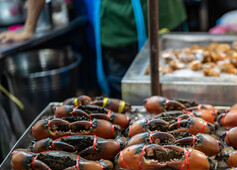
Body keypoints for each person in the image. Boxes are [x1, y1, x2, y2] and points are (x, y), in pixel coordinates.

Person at [0, 0, 187, 98]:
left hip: (163, 23)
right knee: (130, 103)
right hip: (120, 30)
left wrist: (30, 28)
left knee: (177, 92)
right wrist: (29, 28)